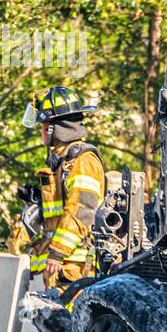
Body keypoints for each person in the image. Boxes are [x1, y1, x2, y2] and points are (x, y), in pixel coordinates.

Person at [15, 86, 106, 293]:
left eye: (43, 125)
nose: (41, 131)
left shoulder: (84, 161)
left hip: (77, 271)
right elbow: (59, 217)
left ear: (52, 128)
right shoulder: (62, 164)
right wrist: (39, 203)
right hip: (61, 270)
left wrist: (57, 252)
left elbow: (81, 211)